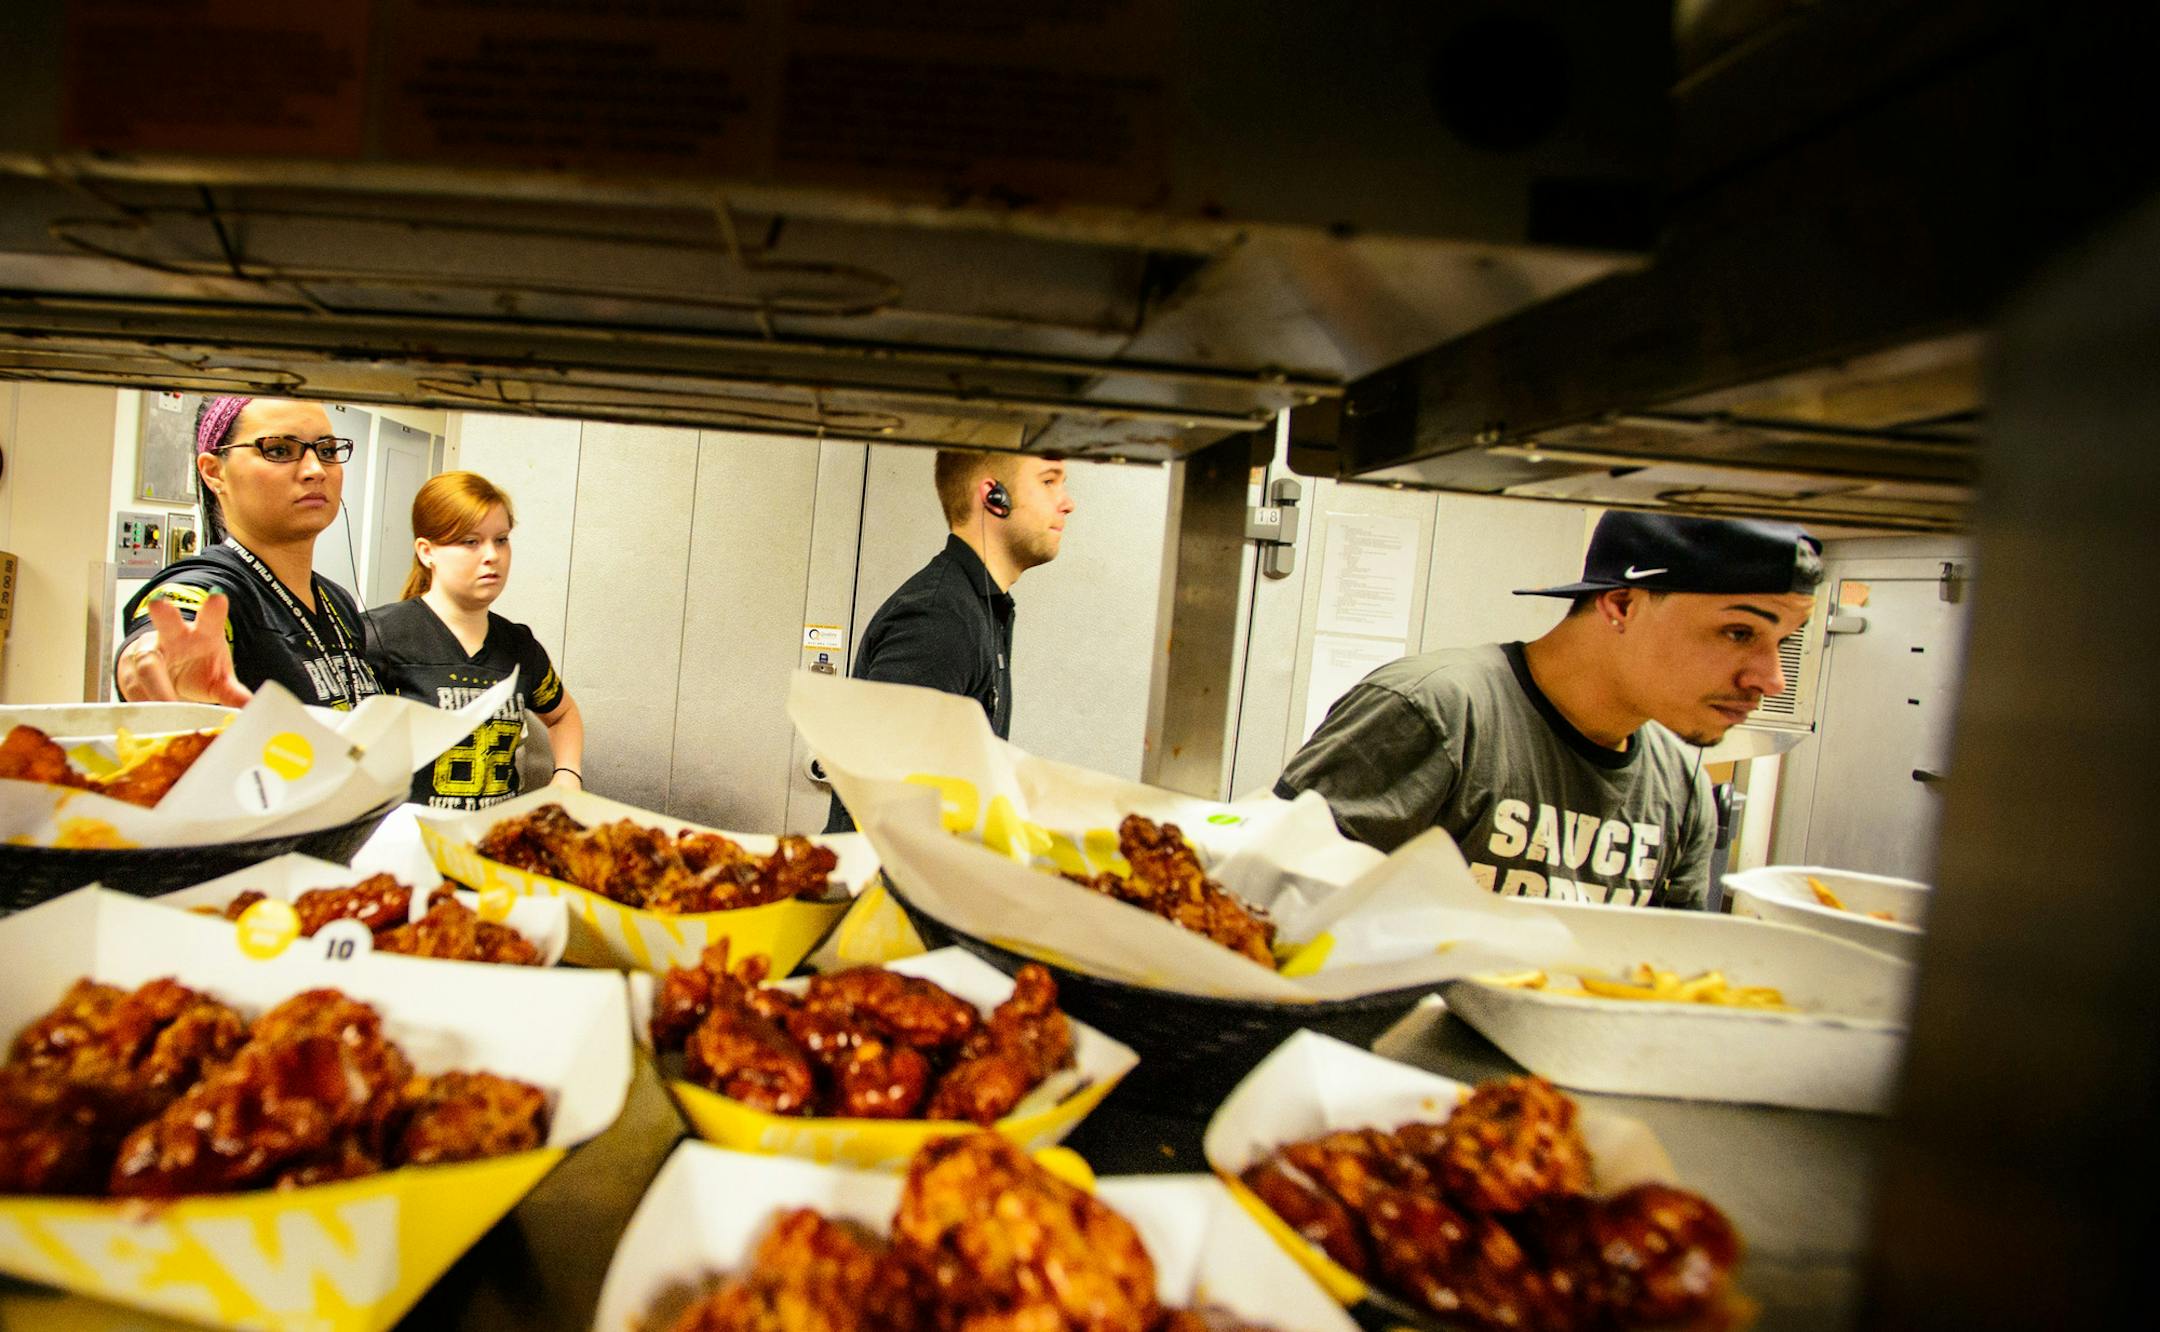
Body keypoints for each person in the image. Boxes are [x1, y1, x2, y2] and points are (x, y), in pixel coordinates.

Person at [1275, 511, 1823, 909]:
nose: (1771, 679)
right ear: (1622, 604)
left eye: (1784, 641)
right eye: (1738, 632)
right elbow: (1264, 912)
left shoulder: (1681, 787)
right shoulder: (1434, 713)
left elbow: (1659, 974)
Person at [824, 450, 1073, 832]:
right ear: (994, 497)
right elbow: (887, 807)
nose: (1067, 503)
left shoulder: (979, 607)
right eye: (1048, 481)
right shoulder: (939, 617)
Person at [116, 396, 382, 710]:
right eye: (279, 450)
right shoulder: (214, 591)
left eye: (326, 451)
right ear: (214, 472)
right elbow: (168, 627)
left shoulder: (337, 601)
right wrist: (149, 661)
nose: (315, 470)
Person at [365, 471, 586, 810]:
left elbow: (563, 714)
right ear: (427, 552)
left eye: (501, 540)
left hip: (493, 834)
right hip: (407, 836)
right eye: (471, 541)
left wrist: (568, 773)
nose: (492, 555)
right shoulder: (377, 636)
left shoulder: (519, 646)